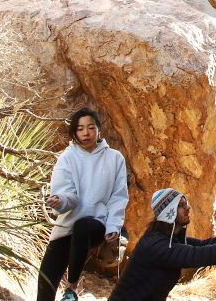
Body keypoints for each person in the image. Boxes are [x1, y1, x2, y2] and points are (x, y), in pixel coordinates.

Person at [108, 188, 216, 301]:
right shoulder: (156, 245)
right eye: (181, 205)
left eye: (186, 203)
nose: (188, 208)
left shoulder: (171, 239)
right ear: (168, 213)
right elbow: (199, 255)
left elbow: (203, 245)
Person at [37, 108, 129, 301]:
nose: (86, 133)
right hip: (68, 224)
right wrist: (60, 201)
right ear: (74, 132)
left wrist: (113, 225)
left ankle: (71, 288)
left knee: (83, 226)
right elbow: (66, 193)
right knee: (46, 279)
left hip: (97, 223)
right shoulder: (67, 157)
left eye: (90, 128)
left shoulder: (114, 158)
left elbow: (118, 196)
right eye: (80, 129)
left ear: (98, 130)